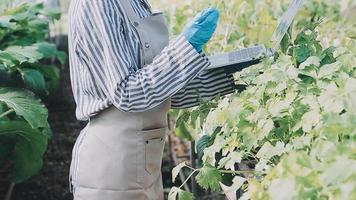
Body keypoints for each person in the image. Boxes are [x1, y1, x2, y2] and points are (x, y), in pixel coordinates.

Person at [67, 0, 237, 199]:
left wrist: (236, 76)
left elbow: (159, 92)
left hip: (143, 165)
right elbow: (127, 93)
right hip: (114, 166)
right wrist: (185, 48)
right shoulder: (98, 3)